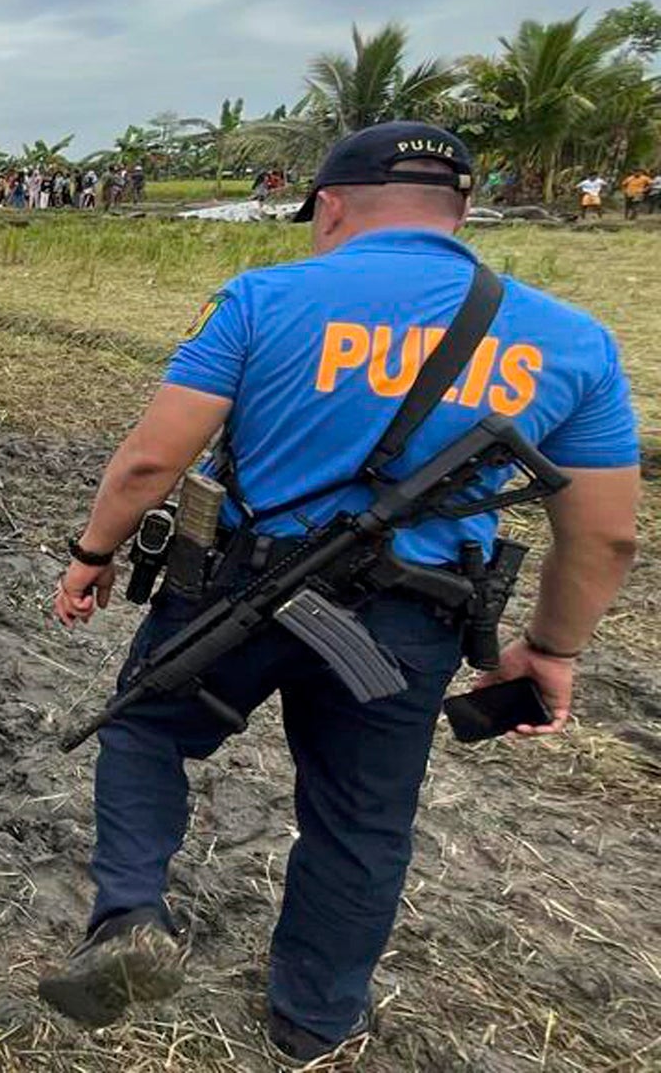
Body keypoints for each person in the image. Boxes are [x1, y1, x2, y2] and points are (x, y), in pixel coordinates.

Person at [40, 122, 639, 1063]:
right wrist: (551, 650)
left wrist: (92, 552)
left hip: (242, 587)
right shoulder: (575, 341)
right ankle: (314, 1020)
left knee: (147, 728)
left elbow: (155, 457)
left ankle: (128, 918)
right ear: (462, 211)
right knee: (362, 819)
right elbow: (606, 532)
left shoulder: (262, 296)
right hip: (416, 615)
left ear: (329, 205)